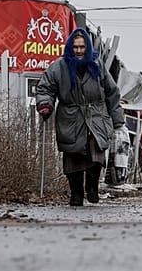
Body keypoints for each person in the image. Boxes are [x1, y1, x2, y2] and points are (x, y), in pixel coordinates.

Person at [35, 27, 125, 206]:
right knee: (73, 157)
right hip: (71, 117)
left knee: (96, 154)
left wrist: (117, 119)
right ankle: (76, 192)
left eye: (82, 47)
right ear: (70, 47)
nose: (79, 50)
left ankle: (92, 187)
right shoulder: (58, 67)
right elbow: (45, 88)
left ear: (88, 47)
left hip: (96, 116)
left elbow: (111, 92)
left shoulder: (97, 65)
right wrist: (45, 104)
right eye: (75, 47)